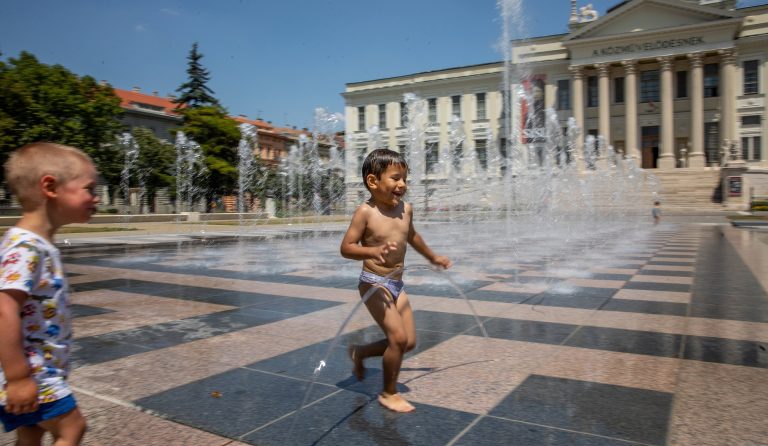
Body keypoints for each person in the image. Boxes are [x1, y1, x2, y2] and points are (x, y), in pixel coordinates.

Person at [0, 143, 100, 445]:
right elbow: (3, 308)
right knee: (71, 429)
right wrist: (17, 378)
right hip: (30, 371)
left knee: (32, 433)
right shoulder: (26, 247)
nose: (95, 197)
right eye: (89, 188)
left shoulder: (36, 244)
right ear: (50, 186)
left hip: (40, 368)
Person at [340, 148, 451, 413]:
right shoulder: (365, 212)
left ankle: (361, 352)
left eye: (404, 178)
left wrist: (432, 257)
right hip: (373, 282)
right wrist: (372, 251)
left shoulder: (405, 210)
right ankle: (389, 393)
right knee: (397, 338)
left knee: (408, 342)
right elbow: (346, 248)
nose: (402, 184)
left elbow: (412, 236)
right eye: (395, 178)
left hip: (396, 284)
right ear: (373, 182)